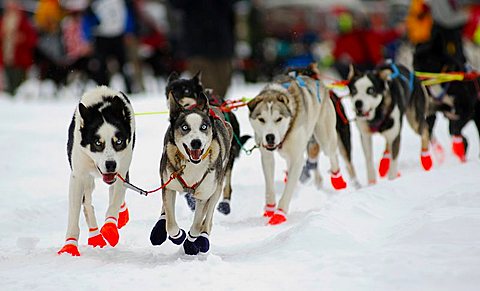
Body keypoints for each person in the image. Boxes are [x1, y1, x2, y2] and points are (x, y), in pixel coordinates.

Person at [168, 0, 237, 98]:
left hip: (221, 43)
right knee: (209, 90)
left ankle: (216, 110)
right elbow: (176, 4)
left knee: (222, 87)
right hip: (197, 45)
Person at [84, 0, 136, 93]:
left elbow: (128, 14)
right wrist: (88, 38)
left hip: (118, 35)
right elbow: (88, 19)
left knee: (124, 64)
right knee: (101, 66)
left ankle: (130, 89)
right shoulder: (94, 3)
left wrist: (129, 31)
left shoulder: (122, 2)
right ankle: (103, 91)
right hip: (101, 37)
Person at [0, 0, 37, 95]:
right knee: (8, 87)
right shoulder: (4, 20)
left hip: (20, 60)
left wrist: (22, 38)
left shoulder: (24, 21)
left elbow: (32, 39)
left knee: (18, 87)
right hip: (6, 59)